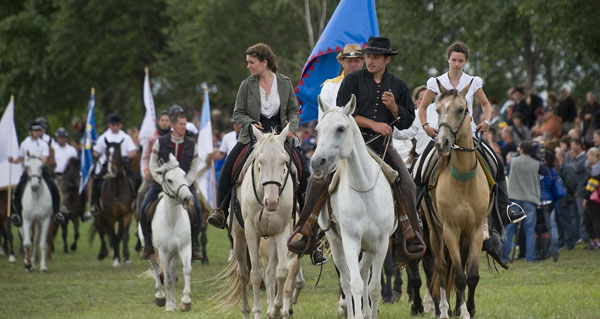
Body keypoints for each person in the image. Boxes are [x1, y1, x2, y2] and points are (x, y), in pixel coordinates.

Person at [288, 36, 426, 262]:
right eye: (368, 56)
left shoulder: (399, 86)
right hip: (352, 142)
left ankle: (410, 233)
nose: (370, 61)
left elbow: (407, 121)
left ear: (387, 59)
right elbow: (344, 114)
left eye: (375, 57)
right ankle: (306, 230)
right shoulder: (351, 81)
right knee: (317, 179)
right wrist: (373, 124)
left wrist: (393, 108)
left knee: (408, 183)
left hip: (381, 146)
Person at [415, 42, 525, 268]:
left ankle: (505, 209)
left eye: (461, 60)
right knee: (420, 167)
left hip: (469, 136)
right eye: (454, 60)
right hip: (442, 134)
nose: (457, 64)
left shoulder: (473, 82)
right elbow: (422, 107)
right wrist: (426, 125)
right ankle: (415, 212)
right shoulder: (435, 82)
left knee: (496, 164)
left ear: (465, 62)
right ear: (448, 59)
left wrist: (486, 121)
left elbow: (485, 105)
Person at [207, 43, 312, 256]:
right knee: (229, 165)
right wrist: (249, 124)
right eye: (248, 62)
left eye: (251, 62)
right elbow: (238, 113)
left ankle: (308, 221)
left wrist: (291, 128)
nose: (248, 66)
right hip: (253, 135)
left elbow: (293, 110)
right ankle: (221, 210)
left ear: (264, 62)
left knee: (304, 170)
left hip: (280, 136)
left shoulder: (284, 83)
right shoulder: (246, 85)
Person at [139, 109, 204, 260]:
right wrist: (160, 180)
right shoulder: (160, 142)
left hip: (185, 186)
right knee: (143, 210)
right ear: (173, 125)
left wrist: (184, 184)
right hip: (160, 185)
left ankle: (194, 245)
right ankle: (148, 245)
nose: (184, 127)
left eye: (185, 124)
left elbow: (194, 167)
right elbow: (153, 164)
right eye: (181, 124)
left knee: (198, 210)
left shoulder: (191, 145)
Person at [8, 121, 65, 226]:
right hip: (27, 172)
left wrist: (38, 166)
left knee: (53, 187)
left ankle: (57, 212)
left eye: (39, 130)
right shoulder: (24, 143)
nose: (38, 133)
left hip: (40, 171)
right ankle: (17, 214)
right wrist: (14, 160)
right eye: (36, 131)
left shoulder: (44, 144)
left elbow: (44, 158)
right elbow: (20, 157)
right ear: (30, 132)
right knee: (17, 190)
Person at [503, 141, 547, 263]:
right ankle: (530, 257)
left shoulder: (513, 161)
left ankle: (504, 257)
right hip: (530, 198)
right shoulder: (536, 163)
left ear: (521, 149)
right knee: (530, 229)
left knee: (510, 228)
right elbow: (546, 173)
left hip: (515, 197)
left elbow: (509, 172)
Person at [90, 113, 140, 214]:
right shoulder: (104, 137)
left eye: (117, 124)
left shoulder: (125, 137)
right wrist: (89, 148)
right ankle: (94, 204)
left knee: (137, 179)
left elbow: (133, 152)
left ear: (121, 125)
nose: (115, 127)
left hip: (123, 165)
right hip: (107, 166)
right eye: (113, 124)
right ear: (109, 125)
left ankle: (135, 202)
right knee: (96, 180)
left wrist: (126, 157)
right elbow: (96, 152)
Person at [317, 43, 364, 119]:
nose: (353, 64)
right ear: (342, 63)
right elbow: (323, 116)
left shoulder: (371, 83)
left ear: (362, 63)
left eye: (356, 61)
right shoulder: (330, 86)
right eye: (349, 61)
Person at [392, 85, 433, 165]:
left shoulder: (434, 116)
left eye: (428, 99)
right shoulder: (408, 119)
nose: (426, 101)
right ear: (414, 100)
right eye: (422, 99)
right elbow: (400, 141)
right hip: (412, 162)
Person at [582, 147, 600, 250]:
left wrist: (585, 197)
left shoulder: (596, 169)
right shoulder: (593, 168)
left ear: (594, 156)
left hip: (594, 199)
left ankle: (597, 241)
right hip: (593, 198)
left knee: (595, 220)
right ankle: (594, 241)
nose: (587, 158)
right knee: (588, 219)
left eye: (589, 156)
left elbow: (591, 184)